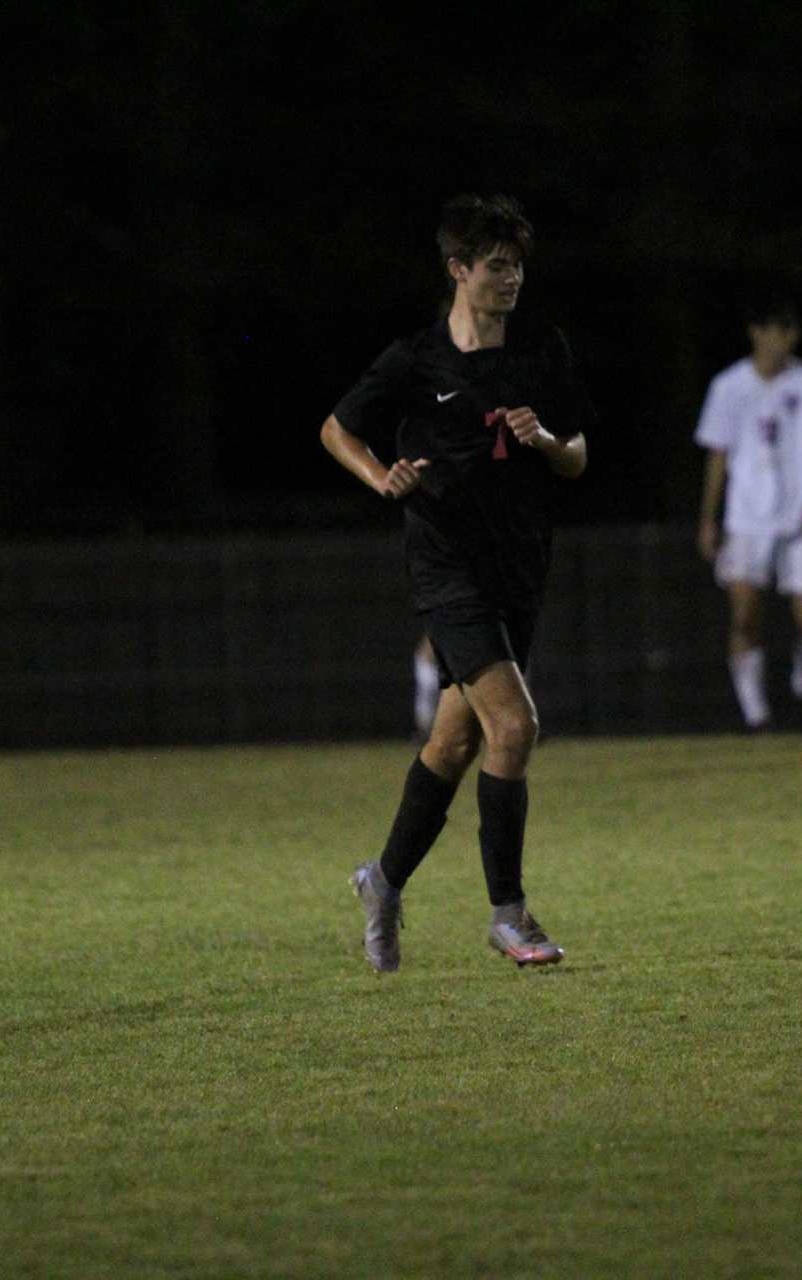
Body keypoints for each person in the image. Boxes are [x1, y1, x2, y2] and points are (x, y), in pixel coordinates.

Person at [319, 194, 593, 972]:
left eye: (518, 266)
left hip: (520, 563)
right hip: (446, 566)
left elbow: (577, 456)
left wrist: (547, 439)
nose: (513, 279)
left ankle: (382, 880)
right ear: (457, 270)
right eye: (497, 266)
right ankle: (509, 914)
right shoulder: (417, 359)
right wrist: (381, 477)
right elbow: (336, 429)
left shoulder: (542, 349)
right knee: (515, 726)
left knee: (455, 739)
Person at [694, 293, 802, 729]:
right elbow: (718, 456)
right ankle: (756, 717)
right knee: (745, 618)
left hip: (800, 517)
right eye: (776, 331)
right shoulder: (728, 386)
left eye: (790, 331)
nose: (784, 340)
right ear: (756, 333)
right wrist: (709, 520)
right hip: (746, 519)